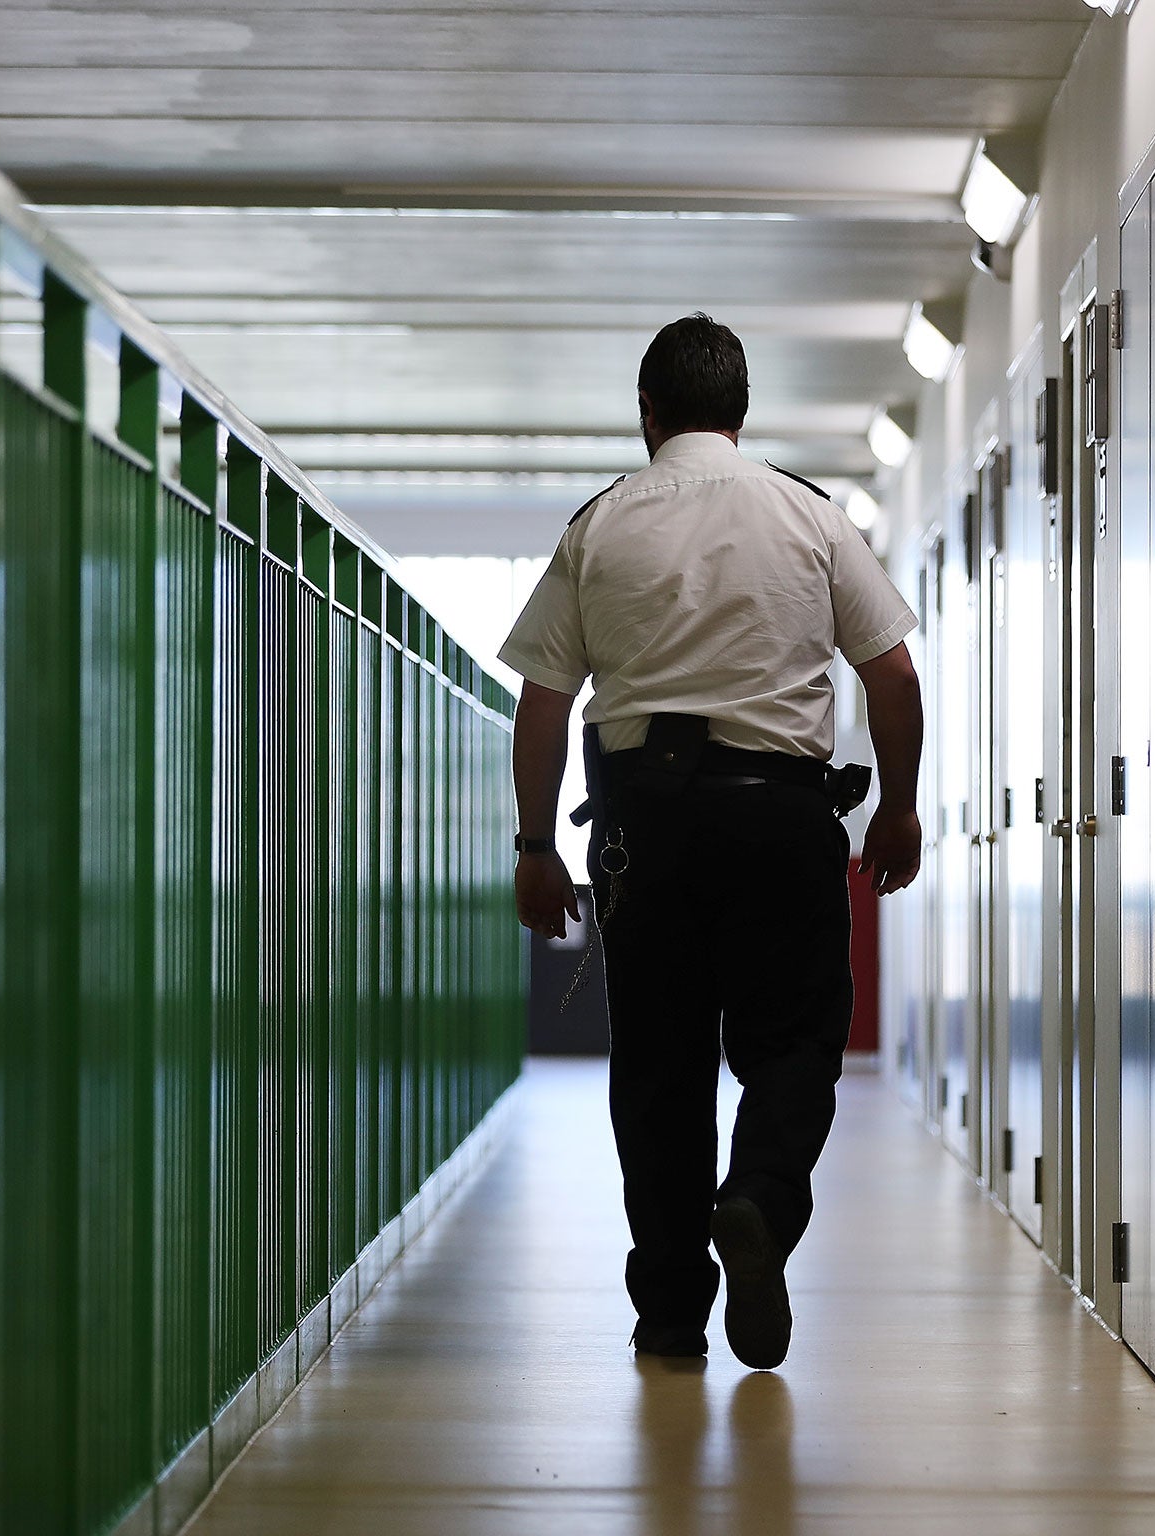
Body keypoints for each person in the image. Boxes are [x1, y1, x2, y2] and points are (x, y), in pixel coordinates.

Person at [498, 312, 925, 1370]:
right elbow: (893, 676)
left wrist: (535, 845)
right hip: (780, 813)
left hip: (641, 827)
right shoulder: (810, 517)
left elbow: (544, 700)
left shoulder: (598, 523)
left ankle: (671, 1315)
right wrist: (898, 808)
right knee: (793, 1040)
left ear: (646, 413)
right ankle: (759, 1203)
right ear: (740, 412)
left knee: (658, 1065)